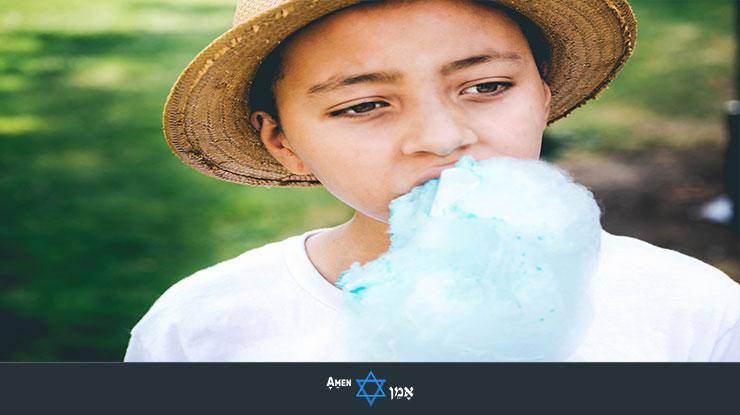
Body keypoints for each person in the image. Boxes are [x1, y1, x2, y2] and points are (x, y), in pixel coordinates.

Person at [124, 0, 739, 361]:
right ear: (281, 139)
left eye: (487, 87)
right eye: (363, 105)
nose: (443, 138)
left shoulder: (691, 311)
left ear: (543, 92)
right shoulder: (203, 329)